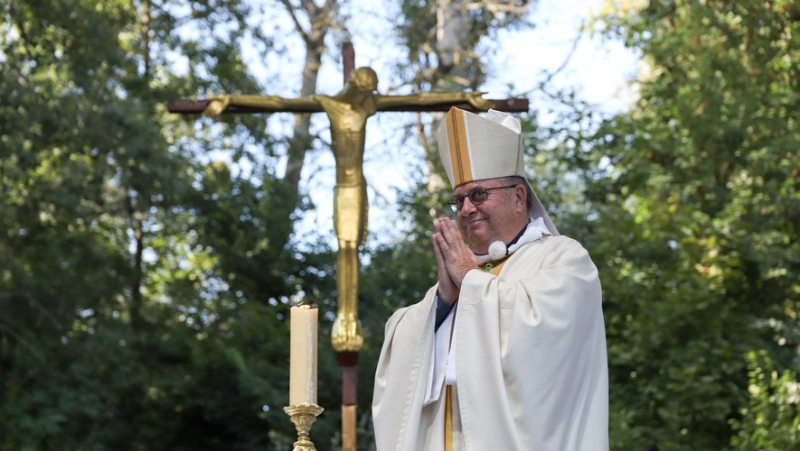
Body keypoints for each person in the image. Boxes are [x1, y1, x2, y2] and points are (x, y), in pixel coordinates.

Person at [202, 68, 493, 352]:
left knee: (352, 247)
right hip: (342, 187)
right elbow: (279, 102)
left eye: (372, 91)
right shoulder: (330, 105)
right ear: (354, 84)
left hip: (358, 187)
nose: (370, 95)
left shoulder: (367, 105)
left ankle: (350, 315)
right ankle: (345, 316)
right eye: (366, 89)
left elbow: (417, 100)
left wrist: (466, 98)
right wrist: (228, 101)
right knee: (345, 248)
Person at [372, 107, 608, 450]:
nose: (466, 208)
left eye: (479, 194)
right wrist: (443, 301)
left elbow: (547, 348)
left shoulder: (564, 259)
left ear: (518, 196)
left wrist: (470, 282)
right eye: (458, 200)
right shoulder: (462, 277)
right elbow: (401, 351)